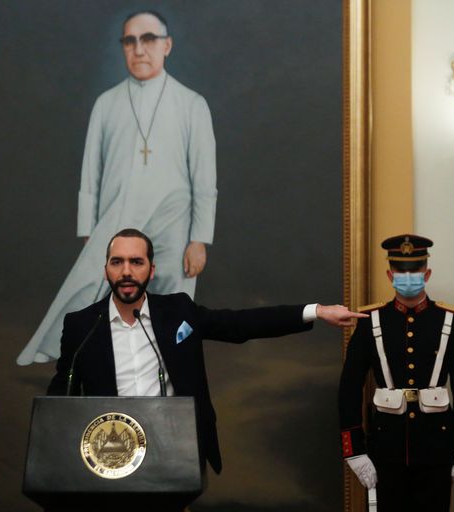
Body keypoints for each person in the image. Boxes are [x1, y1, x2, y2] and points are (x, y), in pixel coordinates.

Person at [47, 228, 365, 475]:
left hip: (174, 453)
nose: (126, 271)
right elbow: (61, 395)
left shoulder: (178, 311)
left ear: (151, 270)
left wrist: (316, 311)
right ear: (106, 270)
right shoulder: (82, 325)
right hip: (109, 459)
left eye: (136, 262)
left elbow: (241, 324)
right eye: (117, 262)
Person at [18, 10, 216, 365]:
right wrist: (87, 229)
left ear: (167, 45)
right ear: (123, 48)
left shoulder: (192, 104)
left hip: (175, 223)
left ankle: (167, 378)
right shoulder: (106, 104)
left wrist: (199, 238)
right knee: (100, 303)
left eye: (149, 39)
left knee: (170, 306)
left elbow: (204, 177)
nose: (140, 49)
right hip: (117, 219)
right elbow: (90, 172)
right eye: (130, 41)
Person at [338, 234, 454, 512]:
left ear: (427, 273)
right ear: (390, 275)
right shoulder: (370, 323)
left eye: (415, 270)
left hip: (437, 449)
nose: (408, 276)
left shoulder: (451, 321)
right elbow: (349, 388)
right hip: (386, 449)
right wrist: (354, 452)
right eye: (401, 270)